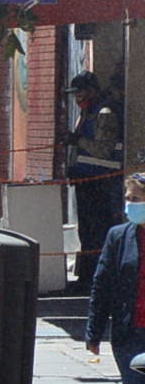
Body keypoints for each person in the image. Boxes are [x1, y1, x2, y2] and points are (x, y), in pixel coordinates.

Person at [86, 171, 145, 384]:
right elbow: (102, 286)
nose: (130, 205)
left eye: (136, 199)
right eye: (128, 198)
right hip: (129, 334)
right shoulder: (118, 236)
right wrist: (94, 332)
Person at [66, 69, 123, 290]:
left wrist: (78, 140)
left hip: (100, 183)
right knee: (86, 232)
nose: (77, 98)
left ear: (92, 91)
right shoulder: (88, 112)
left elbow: (104, 150)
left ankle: (96, 280)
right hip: (85, 182)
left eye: (80, 92)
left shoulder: (104, 113)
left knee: (97, 233)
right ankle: (86, 278)